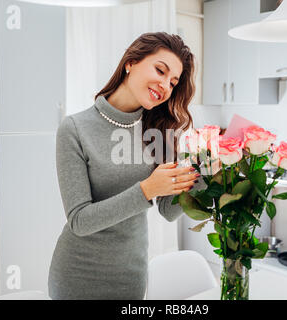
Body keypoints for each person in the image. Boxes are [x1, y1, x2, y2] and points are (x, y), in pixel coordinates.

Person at [48, 32, 201, 299]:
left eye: (173, 82)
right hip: (77, 276)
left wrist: (208, 175)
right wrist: (146, 190)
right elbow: (79, 221)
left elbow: (167, 209)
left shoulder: (159, 131)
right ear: (131, 62)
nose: (165, 85)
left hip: (130, 276)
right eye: (160, 70)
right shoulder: (74, 129)